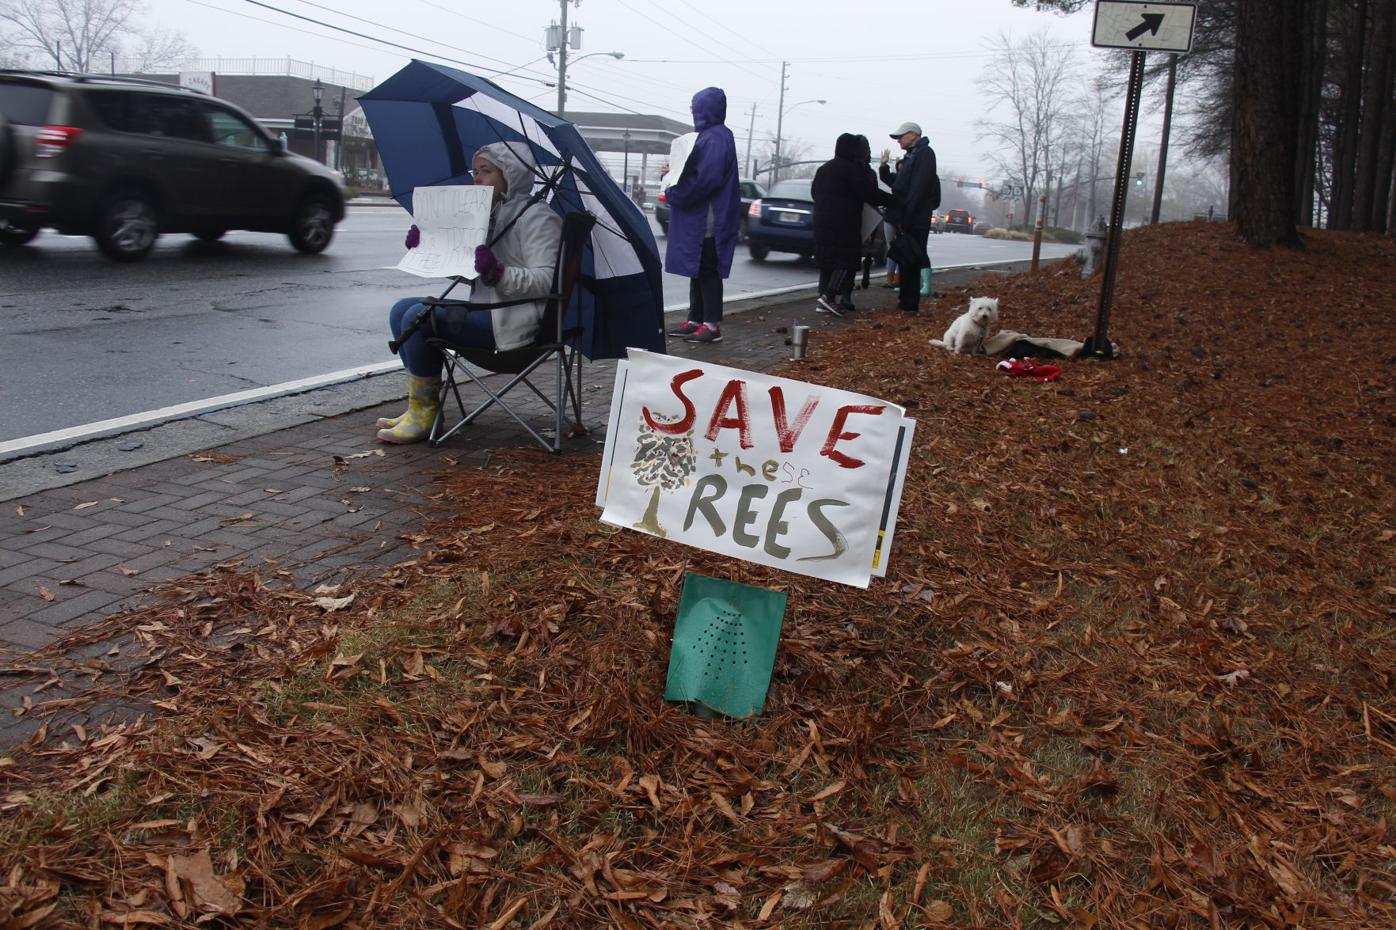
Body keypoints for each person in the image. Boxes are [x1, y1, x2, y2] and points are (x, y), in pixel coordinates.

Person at [377, 142, 562, 444]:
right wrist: (427, 247)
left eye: (486, 171)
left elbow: (546, 281)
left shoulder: (538, 218)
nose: (476, 178)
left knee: (418, 316)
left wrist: (498, 272)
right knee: (402, 309)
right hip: (490, 313)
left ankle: (424, 416)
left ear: (510, 173)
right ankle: (422, 408)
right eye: (475, 171)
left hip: (514, 325)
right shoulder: (491, 215)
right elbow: (470, 270)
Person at [663, 87, 741, 344]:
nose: (693, 111)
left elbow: (705, 179)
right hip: (705, 213)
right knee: (698, 267)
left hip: (708, 215)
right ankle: (696, 320)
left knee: (707, 267)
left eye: (695, 106)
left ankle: (710, 324)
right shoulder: (713, 136)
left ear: (703, 109)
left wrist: (675, 190)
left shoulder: (714, 138)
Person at [811, 133, 896, 315]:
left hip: (821, 220)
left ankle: (825, 299)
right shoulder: (852, 170)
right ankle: (828, 297)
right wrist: (897, 201)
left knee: (827, 260)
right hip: (844, 222)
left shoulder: (824, 169)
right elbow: (870, 194)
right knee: (846, 260)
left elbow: (814, 192)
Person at [880, 121, 938, 314]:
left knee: (912, 258)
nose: (898, 141)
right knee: (906, 259)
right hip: (908, 216)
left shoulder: (925, 154)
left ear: (914, 135)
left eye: (901, 137)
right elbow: (901, 185)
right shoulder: (912, 156)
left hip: (915, 218)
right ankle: (905, 300)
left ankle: (909, 303)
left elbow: (918, 188)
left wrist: (908, 216)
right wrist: (884, 169)